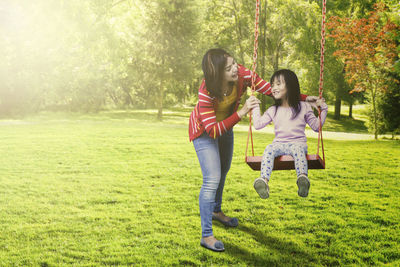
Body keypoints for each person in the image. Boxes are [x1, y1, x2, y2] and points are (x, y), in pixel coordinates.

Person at [189, 49, 320, 252]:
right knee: (212, 179)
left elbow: (271, 90)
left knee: (223, 171)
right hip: (206, 131)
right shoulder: (206, 91)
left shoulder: (243, 75)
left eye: (235, 63)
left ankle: (216, 211)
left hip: (226, 127)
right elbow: (213, 130)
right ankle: (207, 235)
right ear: (217, 73)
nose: (236, 68)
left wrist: (304, 98)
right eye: (229, 67)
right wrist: (243, 111)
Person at [252, 69, 328, 199]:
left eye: (278, 84)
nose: (274, 88)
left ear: (290, 85)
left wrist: (324, 109)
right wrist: (255, 107)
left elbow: (316, 127)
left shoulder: (304, 107)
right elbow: (258, 124)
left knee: (298, 149)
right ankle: (263, 181)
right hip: (279, 144)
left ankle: (302, 179)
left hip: (298, 144)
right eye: (272, 85)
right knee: (269, 148)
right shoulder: (273, 110)